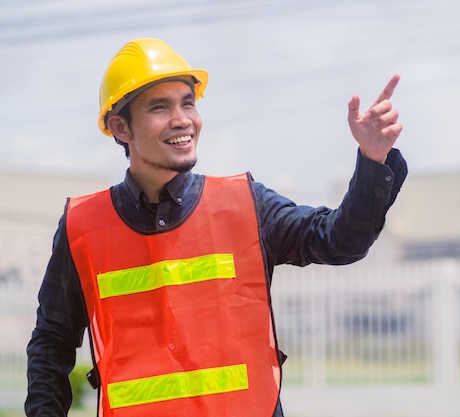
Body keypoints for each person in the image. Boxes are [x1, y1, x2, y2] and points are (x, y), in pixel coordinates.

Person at [25, 37, 407, 417]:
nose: (183, 119)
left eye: (187, 103)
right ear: (120, 128)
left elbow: (340, 241)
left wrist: (373, 160)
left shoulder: (247, 204)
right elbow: (51, 342)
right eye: (160, 107)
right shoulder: (83, 225)